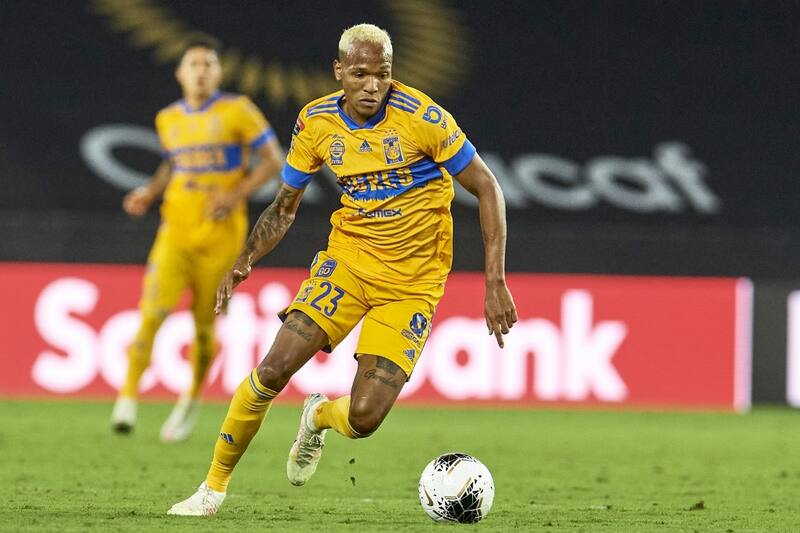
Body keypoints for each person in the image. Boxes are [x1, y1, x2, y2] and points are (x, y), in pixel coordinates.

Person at [167, 23, 516, 515]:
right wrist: (244, 259)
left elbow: (488, 188)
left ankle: (318, 418)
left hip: (412, 284)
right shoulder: (316, 123)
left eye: (383, 75)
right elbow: (284, 206)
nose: (373, 86)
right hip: (348, 263)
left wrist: (494, 282)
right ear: (339, 72)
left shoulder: (424, 118)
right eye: (360, 74)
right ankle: (211, 490)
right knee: (272, 369)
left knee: (365, 417)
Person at [109, 33, 284, 442]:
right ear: (180, 73)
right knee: (151, 313)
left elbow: (273, 161)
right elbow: (174, 164)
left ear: (219, 73)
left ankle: (190, 398)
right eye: (194, 64)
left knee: (205, 326)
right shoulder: (168, 119)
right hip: (175, 232)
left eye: (208, 64)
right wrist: (150, 192)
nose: (201, 71)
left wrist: (235, 195)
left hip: (222, 239)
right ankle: (127, 397)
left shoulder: (238, 110)